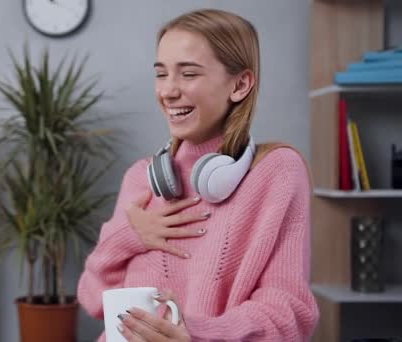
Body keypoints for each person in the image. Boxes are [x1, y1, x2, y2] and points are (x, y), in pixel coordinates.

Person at [77, 8, 320, 342]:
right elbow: (92, 296)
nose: (168, 91)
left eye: (188, 74)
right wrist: (129, 236)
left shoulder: (276, 171)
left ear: (240, 84)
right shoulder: (143, 178)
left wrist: (197, 333)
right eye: (161, 74)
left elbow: (289, 314)